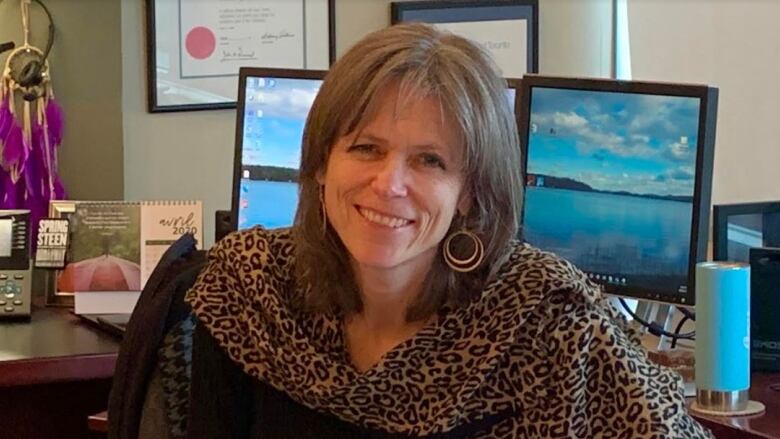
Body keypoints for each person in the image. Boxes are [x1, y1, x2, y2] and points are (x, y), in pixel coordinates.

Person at [185, 23, 712, 438]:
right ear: (322, 163)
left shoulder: (551, 321)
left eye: (430, 161)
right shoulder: (251, 290)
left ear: (468, 193)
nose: (389, 183)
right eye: (366, 148)